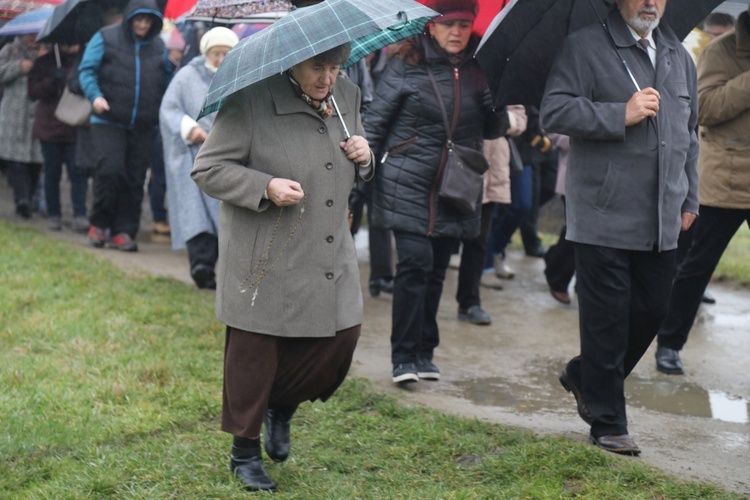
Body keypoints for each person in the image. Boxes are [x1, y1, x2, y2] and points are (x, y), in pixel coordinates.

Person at [191, 42, 372, 492]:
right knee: (255, 353)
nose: (327, 78)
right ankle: (244, 453)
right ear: (292, 60)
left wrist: (365, 157)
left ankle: (282, 405)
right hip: (265, 250)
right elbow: (208, 168)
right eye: (317, 67)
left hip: (327, 245)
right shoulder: (250, 99)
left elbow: (355, 164)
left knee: (342, 336)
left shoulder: (345, 96)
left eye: (335, 68)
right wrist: (264, 185)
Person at [540, 0, 699, 455]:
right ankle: (608, 421)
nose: (651, 2)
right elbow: (554, 112)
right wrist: (619, 114)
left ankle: (584, 374)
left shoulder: (678, 55)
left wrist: (690, 195)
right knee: (606, 321)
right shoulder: (583, 47)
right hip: (603, 212)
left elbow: (690, 133)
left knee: (653, 310)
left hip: (663, 213)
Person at [365, 0, 508, 384]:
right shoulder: (405, 63)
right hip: (406, 178)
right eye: (449, 25)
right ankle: (403, 357)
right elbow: (375, 124)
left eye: (464, 24)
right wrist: (358, 178)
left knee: (437, 270)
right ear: (431, 27)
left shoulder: (482, 68)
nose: (457, 32)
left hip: (455, 186)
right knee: (414, 264)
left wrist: (497, 103)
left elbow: (494, 130)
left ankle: (425, 351)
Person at [654, 6, 750, 376]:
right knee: (695, 270)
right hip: (723, 182)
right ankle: (669, 344)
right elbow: (705, 108)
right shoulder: (720, 51)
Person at [78, 0, 168, 252]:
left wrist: (172, 66)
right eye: (138, 19)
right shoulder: (105, 37)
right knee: (110, 171)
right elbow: (87, 70)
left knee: (134, 179)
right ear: (129, 18)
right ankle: (99, 224)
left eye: (148, 20)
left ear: (154, 23)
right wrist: (95, 96)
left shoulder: (160, 46)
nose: (142, 24)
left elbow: (167, 80)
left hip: (144, 125)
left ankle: (124, 231)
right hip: (108, 119)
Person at [159, 27, 239, 289]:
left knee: (225, 216)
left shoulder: (240, 78)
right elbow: (169, 108)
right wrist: (189, 128)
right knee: (196, 215)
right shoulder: (186, 76)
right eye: (215, 53)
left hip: (228, 157)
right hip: (193, 156)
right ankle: (201, 266)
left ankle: (226, 269)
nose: (219, 59)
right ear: (206, 52)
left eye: (225, 54)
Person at [456, 104, 527, 324]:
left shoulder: (504, 80)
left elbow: (520, 119)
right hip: (458, 164)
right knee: (443, 240)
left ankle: (470, 302)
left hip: (491, 171)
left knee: (478, 240)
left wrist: (497, 120)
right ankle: (426, 305)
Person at [27, 44, 89, 233]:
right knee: (52, 172)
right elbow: (33, 93)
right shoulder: (44, 63)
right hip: (49, 126)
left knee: (78, 173)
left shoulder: (84, 61)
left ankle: (80, 214)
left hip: (75, 125)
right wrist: (51, 80)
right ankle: (54, 214)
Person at [0, 34, 43, 219]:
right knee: (16, 160)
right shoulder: (9, 49)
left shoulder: (48, 52)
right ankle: (22, 199)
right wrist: (18, 67)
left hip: (38, 112)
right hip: (14, 113)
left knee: (36, 161)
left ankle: (30, 196)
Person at [542, 134, 575, 304]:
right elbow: (551, 129)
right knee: (576, 231)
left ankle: (553, 258)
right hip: (574, 174)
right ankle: (557, 275)